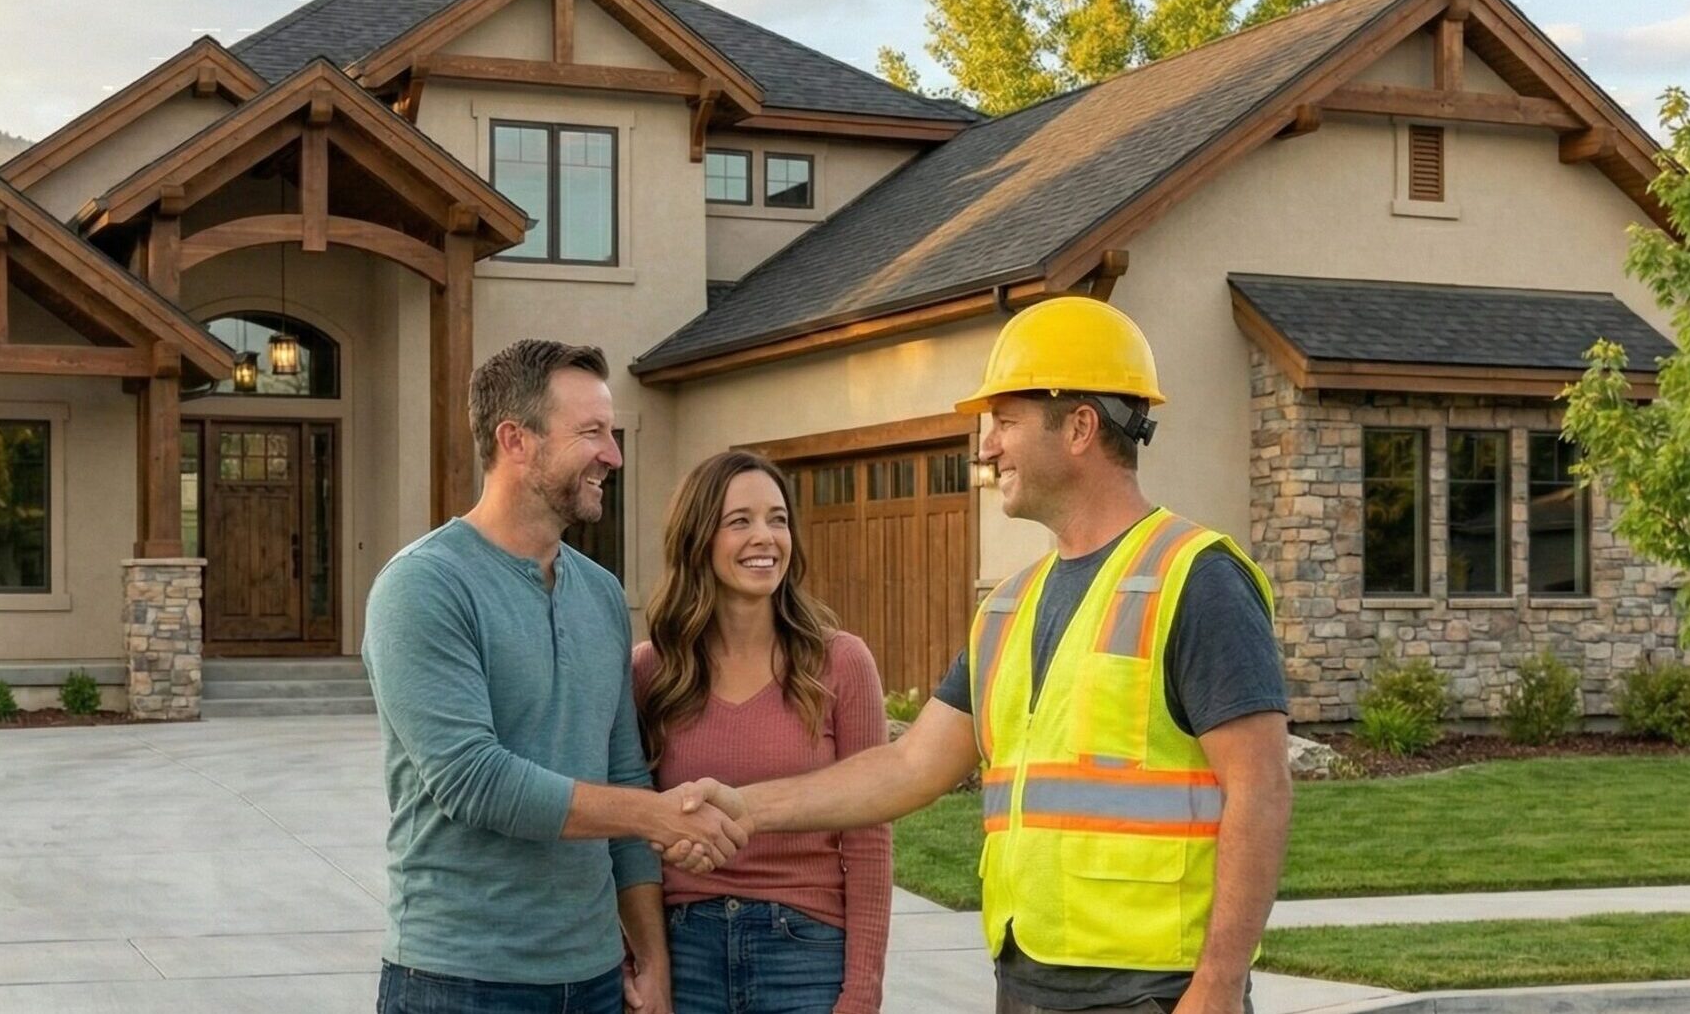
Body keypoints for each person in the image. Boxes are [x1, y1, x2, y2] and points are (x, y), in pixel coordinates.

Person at [674, 297, 1294, 1014]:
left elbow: (1262, 789)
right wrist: (742, 809)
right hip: (1026, 978)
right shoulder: (1009, 605)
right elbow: (909, 767)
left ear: (1081, 427)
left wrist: (1217, 986)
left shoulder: (1197, 578)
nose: (987, 446)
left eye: (1005, 421)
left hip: (1156, 988)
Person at [365, 339, 750, 1014]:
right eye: (592, 433)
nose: (614, 454)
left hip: (597, 977)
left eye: (613, 432)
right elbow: (474, 781)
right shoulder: (423, 587)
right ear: (516, 440)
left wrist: (651, 958)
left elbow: (623, 770)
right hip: (459, 981)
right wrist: (658, 815)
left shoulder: (599, 595)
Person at [633, 451, 892, 1014]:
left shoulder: (840, 663)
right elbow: (629, 834)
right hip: (685, 953)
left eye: (778, 519)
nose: (766, 537)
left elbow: (870, 833)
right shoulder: (650, 673)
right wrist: (641, 965)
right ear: (698, 538)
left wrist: (863, 989)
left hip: (805, 952)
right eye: (740, 521)